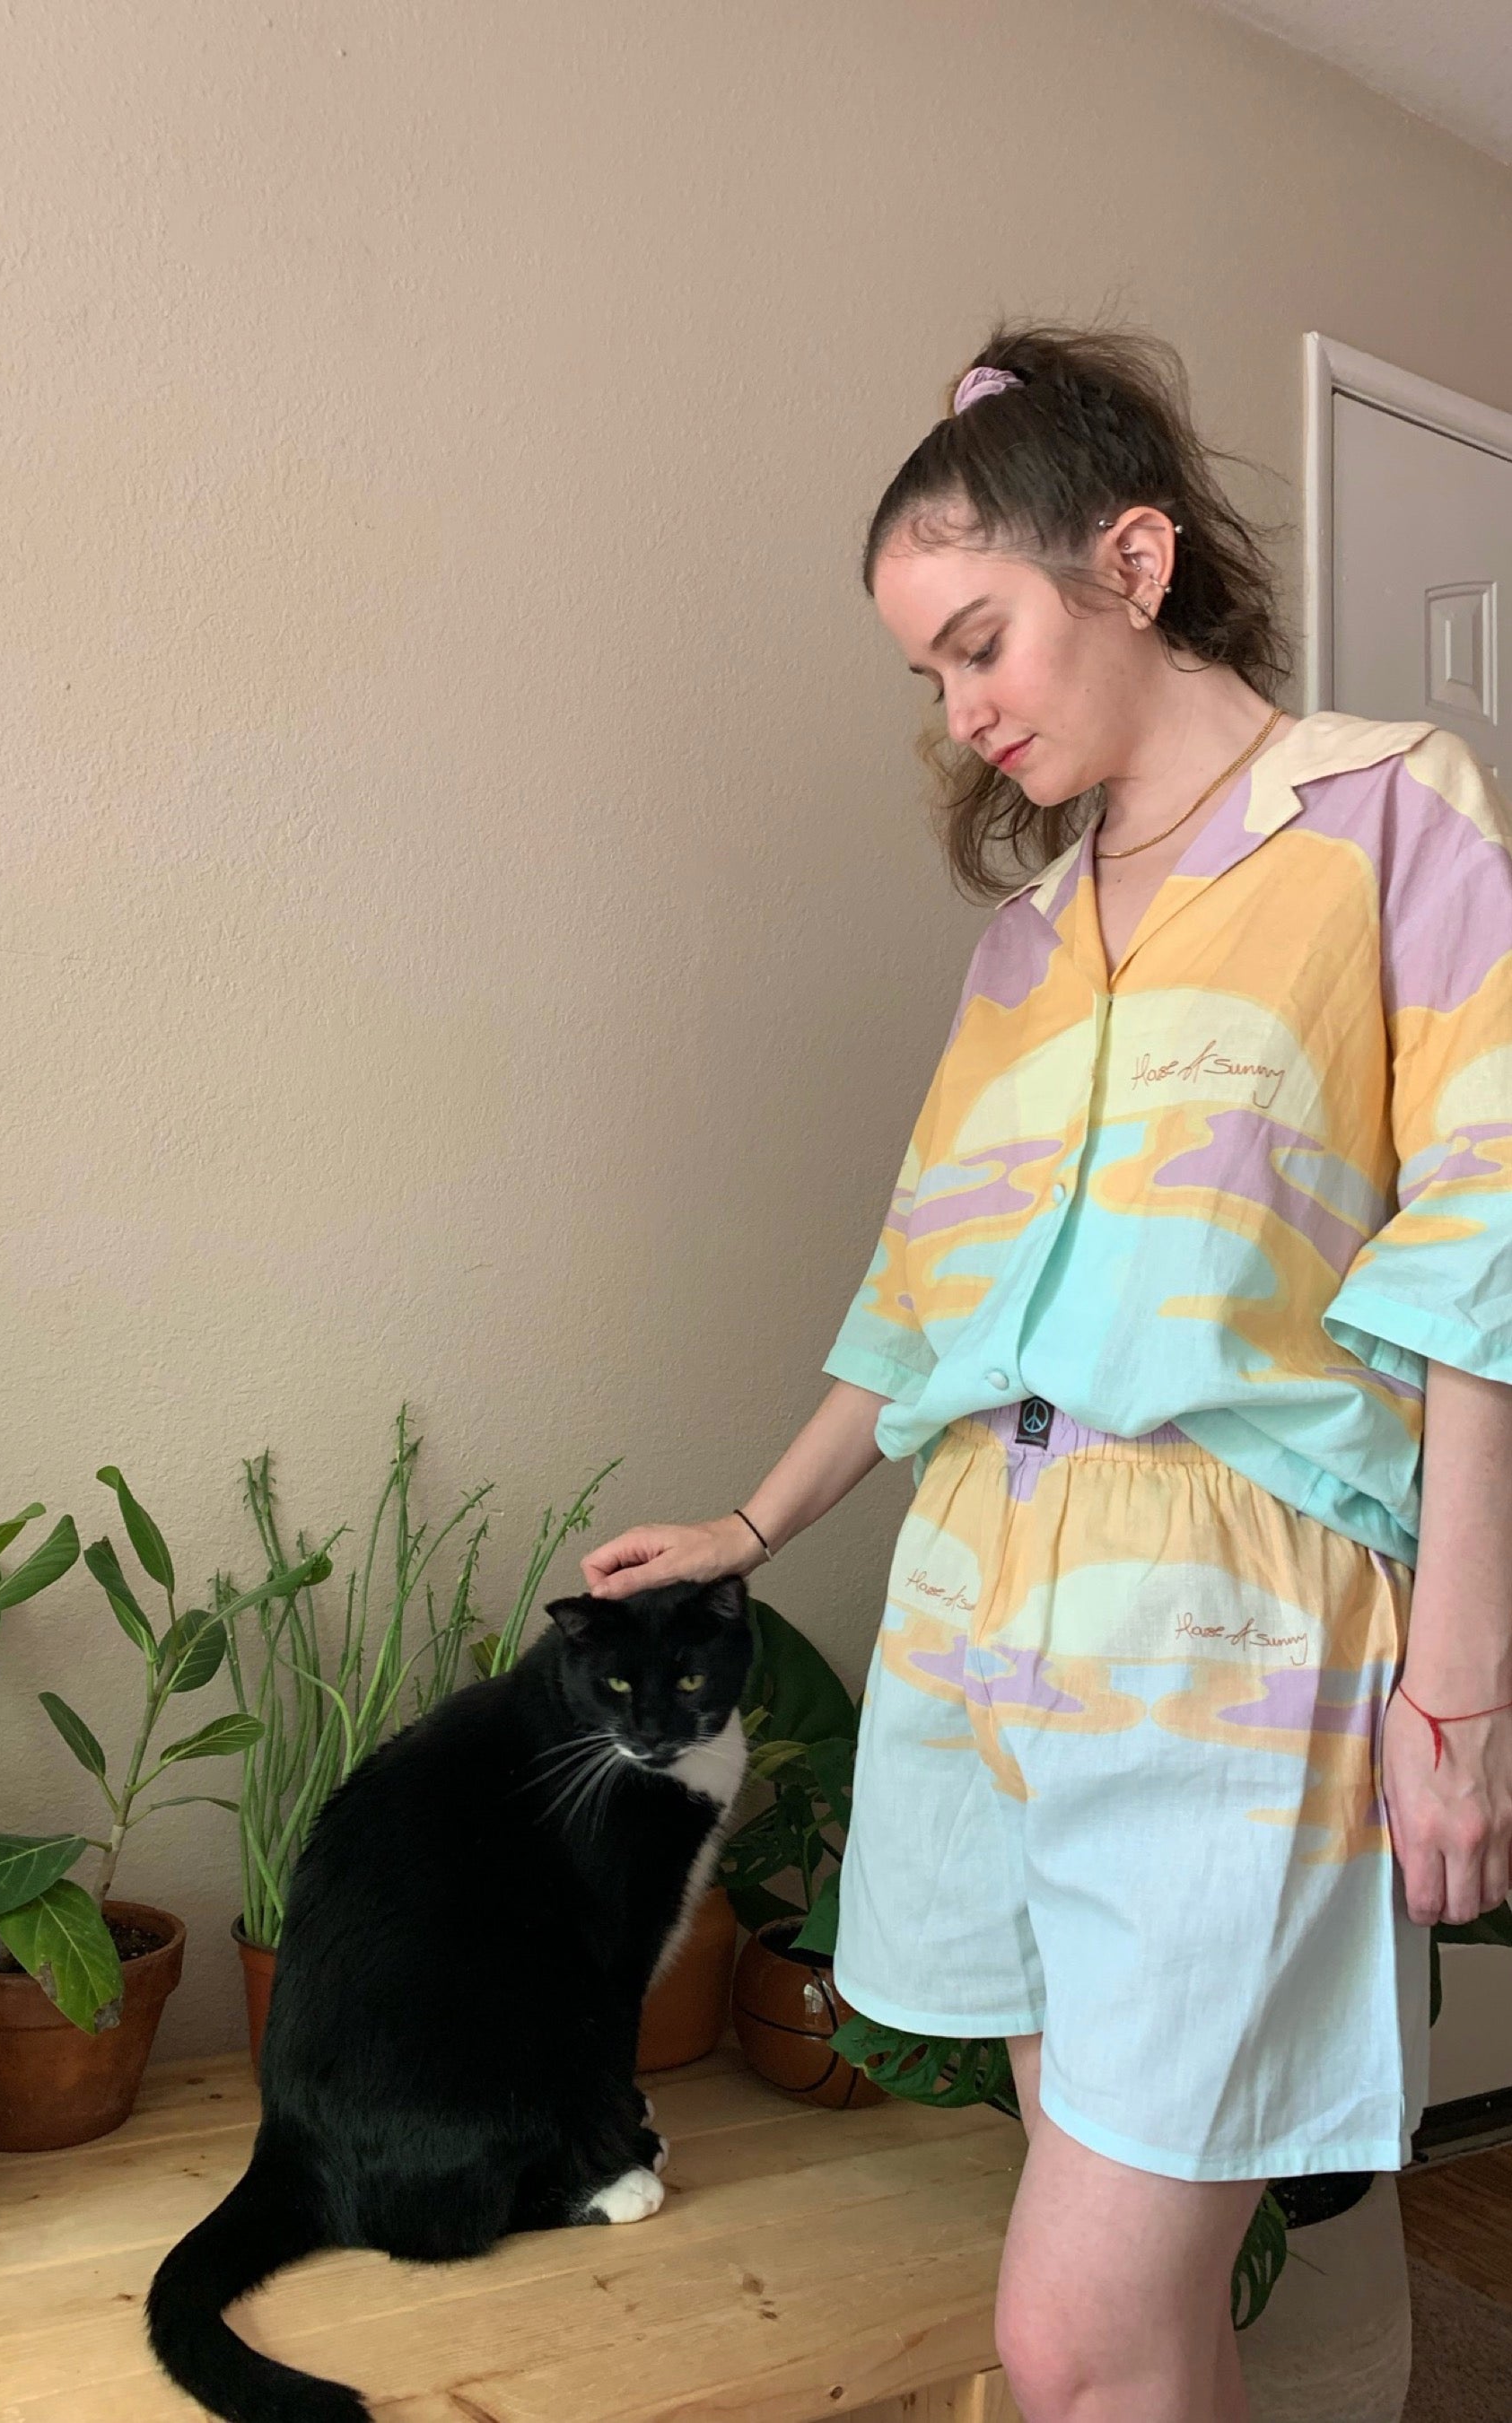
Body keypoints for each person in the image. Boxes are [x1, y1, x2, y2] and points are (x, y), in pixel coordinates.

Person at [581, 324, 1512, 2423]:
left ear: (1136, 561)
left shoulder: (1388, 816)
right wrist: (751, 1522)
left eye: (979, 642)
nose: (963, 710)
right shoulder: (1024, 947)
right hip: (985, 1622)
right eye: (929, 675)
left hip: (1231, 1644)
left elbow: (1490, 1235)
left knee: (1067, 2344)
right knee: (1147, 2334)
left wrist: (1462, 1678)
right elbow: (922, 1294)